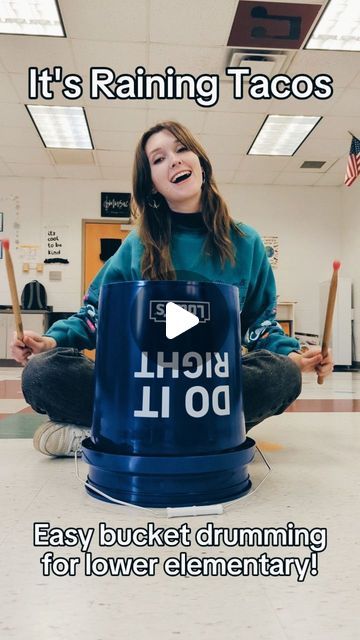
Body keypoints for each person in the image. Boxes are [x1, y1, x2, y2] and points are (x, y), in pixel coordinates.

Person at [11, 121, 333, 457]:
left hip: (210, 388)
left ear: (201, 164)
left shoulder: (247, 243)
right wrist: (50, 341)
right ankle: (194, 436)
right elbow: (94, 316)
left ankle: (112, 432)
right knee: (42, 373)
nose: (175, 160)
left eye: (182, 149)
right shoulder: (136, 245)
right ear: (151, 184)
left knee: (283, 375)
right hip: (142, 383)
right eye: (159, 158)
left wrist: (295, 355)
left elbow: (258, 326)